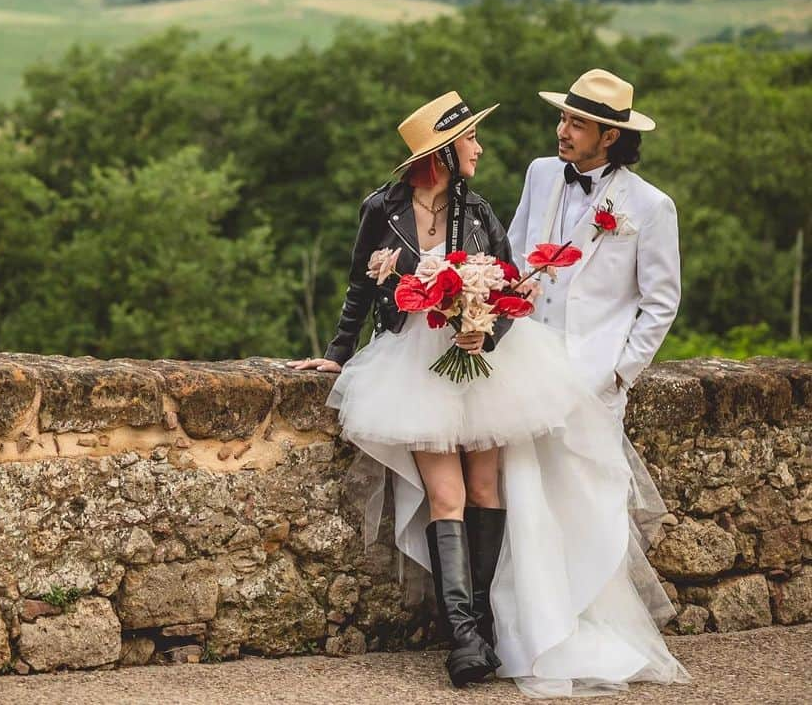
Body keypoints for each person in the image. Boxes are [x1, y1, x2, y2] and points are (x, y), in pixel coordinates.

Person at [289, 89, 688, 698]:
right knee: (446, 495)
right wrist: (337, 354)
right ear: (445, 152)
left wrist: (488, 327)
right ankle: (467, 638)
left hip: (504, 365)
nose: (482, 146)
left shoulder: (482, 211)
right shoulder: (388, 207)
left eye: (573, 120)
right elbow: (359, 289)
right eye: (470, 138)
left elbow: (509, 284)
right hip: (415, 368)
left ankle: (509, 628)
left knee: (492, 491)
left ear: (609, 134)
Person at [507, 68, 681, 422]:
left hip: (591, 381)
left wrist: (619, 374)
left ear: (609, 136)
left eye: (577, 125)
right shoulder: (539, 173)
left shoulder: (650, 205)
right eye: (562, 118)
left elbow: (661, 302)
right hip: (523, 367)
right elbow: (512, 255)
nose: (561, 131)